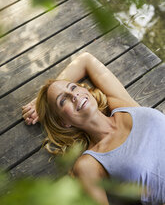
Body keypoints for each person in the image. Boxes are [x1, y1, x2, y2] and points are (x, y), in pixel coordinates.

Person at [22, 52, 165, 205]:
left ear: (85, 91)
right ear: (64, 122)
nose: (74, 95)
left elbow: (86, 60)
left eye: (73, 87)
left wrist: (38, 101)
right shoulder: (89, 164)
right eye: (63, 100)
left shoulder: (122, 105)